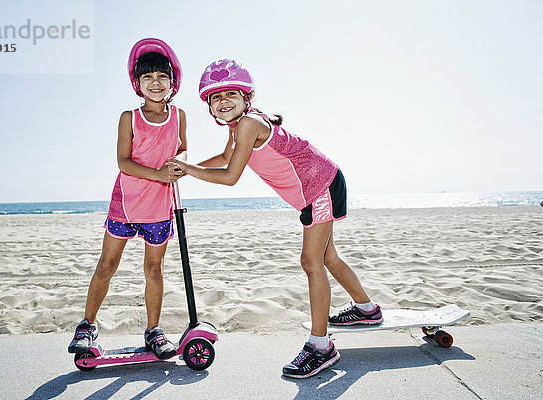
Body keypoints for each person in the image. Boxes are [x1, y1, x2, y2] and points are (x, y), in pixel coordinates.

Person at [169, 59, 383, 378]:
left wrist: (188, 169)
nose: (223, 101)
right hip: (322, 183)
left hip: (319, 185)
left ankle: (321, 347)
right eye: (215, 97)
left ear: (247, 98)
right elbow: (226, 158)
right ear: (210, 107)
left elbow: (230, 176)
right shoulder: (238, 127)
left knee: (311, 261)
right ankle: (368, 310)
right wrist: (186, 169)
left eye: (231, 94)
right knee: (328, 258)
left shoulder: (248, 124)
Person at [68, 38, 186, 359]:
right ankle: (87, 325)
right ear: (138, 83)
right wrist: (159, 174)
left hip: (161, 204)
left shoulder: (179, 115)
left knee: (154, 270)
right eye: (147, 77)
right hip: (126, 201)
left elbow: (182, 149)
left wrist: (181, 165)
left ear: (172, 81)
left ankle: (153, 331)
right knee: (107, 264)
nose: (155, 83)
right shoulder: (129, 117)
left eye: (162, 76)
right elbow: (123, 162)